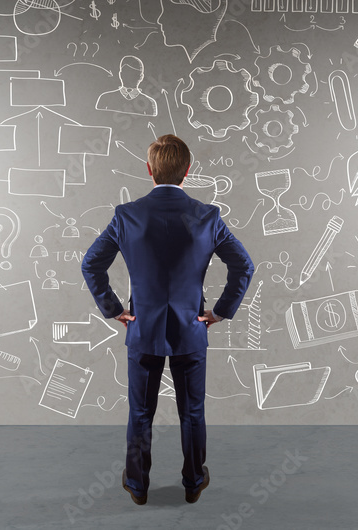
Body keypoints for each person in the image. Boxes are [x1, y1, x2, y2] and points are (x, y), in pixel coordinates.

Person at [82, 134, 254, 505]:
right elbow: (244, 265)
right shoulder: (207, 216)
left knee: (140, 411)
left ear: (149, 170)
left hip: (141, 328)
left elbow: (90, 263)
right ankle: (193, 482)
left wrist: (113, 308)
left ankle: (138, 486)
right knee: (192, 411)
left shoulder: (127, 215)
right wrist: (221, 311)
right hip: (191, 328)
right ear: (187, 171)